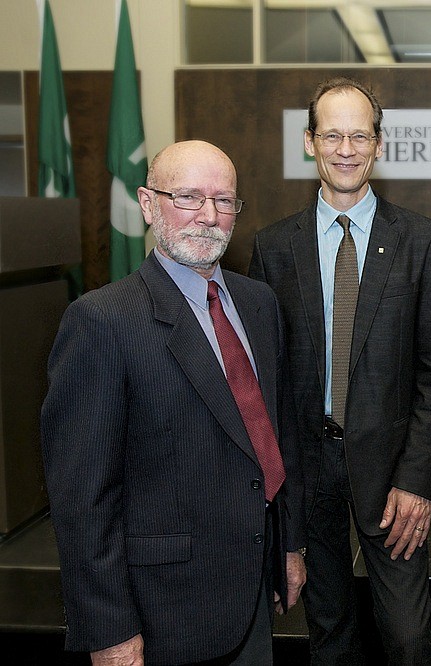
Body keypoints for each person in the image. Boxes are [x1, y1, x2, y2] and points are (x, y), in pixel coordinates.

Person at [40, 140, 305, 665]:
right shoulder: (101, 322)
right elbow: (82, 499)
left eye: (224, 200)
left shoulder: (258, 303)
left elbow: (274, 433)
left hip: (252, 591)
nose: (208, 215)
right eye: (188, 197)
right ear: (146, 204)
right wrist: (109, 631)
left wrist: (287, 547)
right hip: (162, 613)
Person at [248, 77, 431, 665]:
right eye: (331, 134)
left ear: (379, 145)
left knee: (410, 636)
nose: (345, 148)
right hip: (308, 476)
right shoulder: (272, 247)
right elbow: (270, 381)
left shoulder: (420, 241)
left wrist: (418, 479)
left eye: (358, 135)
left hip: (393, 477)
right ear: (309, 142)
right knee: (330, 634)